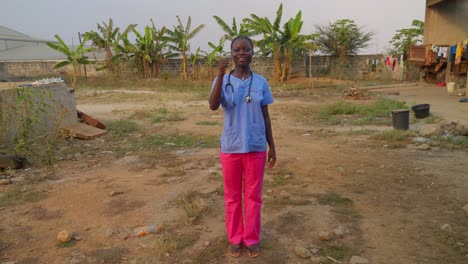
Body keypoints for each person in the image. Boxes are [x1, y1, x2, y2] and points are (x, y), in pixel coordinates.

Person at [209, 36, 276, 258]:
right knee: (232, 196)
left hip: (256, 147)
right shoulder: (223, 80)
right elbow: (213, 105)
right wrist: (219, 74)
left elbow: (265, 116)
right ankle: (235, 238)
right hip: (231, 146)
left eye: (245, 49)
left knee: (254, 196)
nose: (241, 53)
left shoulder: (261, 82)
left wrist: (272, 146)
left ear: (252, 53)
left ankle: (252, 239)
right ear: (231, 53)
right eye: (236, 49)